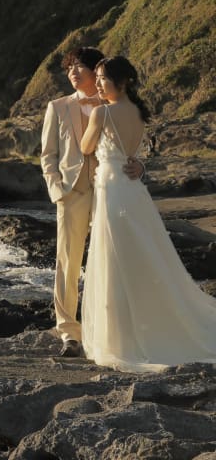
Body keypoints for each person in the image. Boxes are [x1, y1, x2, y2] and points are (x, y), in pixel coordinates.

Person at [79, 56, 216, 372]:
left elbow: (86, 148)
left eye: (102, 78)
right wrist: (139, 166)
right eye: (96, 78)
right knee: (145, 255)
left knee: (116, 258)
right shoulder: (140, 112)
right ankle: (148, 323)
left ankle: (121, 337)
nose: (97, 84)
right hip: (134, 191)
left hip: (113, 193)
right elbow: (135, 155)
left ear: (123, 82)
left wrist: (88, 122)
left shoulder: (101, 113)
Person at [40, 46, 143, 357]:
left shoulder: (114, 104)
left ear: (95, 71)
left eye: (79, 68)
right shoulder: (57, 107)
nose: (73, 73)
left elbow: (135, 144)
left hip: (109, 191)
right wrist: (56, 189)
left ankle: (108, 327)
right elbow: (48, 155)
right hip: (71, 193)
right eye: (69, 68)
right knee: (68, 262)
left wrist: (142, 165)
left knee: (109, 259)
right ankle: (70, 333)